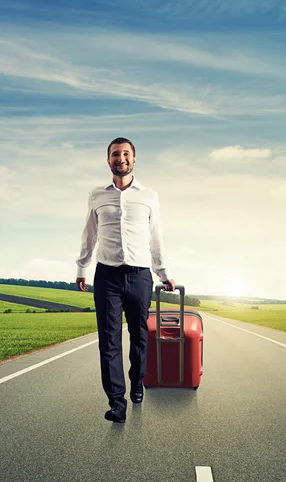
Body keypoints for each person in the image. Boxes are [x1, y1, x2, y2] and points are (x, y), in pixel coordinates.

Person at [76, 137, 176, 423]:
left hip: (140, 275)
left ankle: (137, 383)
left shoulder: (149, 196)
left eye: (126, 153)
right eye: (115, 154)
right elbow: (89, 235)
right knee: (109, 342)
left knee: (139, 337)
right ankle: (116, 402)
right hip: (107, 275)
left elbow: (156, 237)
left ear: (135, 159)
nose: (121, 158)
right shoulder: (97, 195)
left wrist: (164, 273)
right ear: (108, 160)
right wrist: (82, 268)